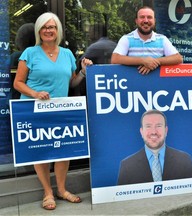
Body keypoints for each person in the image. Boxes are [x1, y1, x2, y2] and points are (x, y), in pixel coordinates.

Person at [13, 12, 93, 210]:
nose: (49, 30)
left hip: (60, 109)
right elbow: (18, 83)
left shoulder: (67, 54)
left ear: (57, 30)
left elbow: (72, 82)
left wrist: (82, 71)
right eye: (45, 27)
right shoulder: (30, 53)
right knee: (41, 152)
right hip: (35, 108)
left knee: (62, 150)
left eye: (52, 27)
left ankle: (62, 189)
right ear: (39, 30)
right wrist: (35, 93)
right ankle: (48, 192)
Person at [117, 109, 192, 185]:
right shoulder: (127, 166)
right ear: (141, 132)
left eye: (158, 126)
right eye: (148, 126)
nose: (154, 132)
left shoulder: (184, 160)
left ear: (166, 130)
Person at [111, 6, 182, 75]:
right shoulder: (126, 39)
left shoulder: (162, 39)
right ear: (136, 21)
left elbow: (178, 58)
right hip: (133, 84)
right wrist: (143, 61)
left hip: (157, 85)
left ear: (154, 21)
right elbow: (115, 59)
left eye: (149, 17)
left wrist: (155, 62)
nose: (146, 21)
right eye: (142, 17)